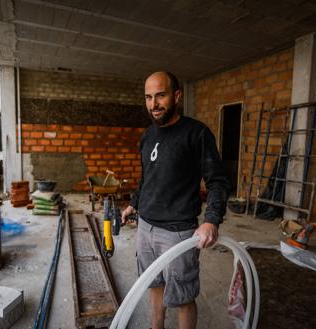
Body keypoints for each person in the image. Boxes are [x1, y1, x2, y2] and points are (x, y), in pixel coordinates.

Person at [121, 71, 231, 329]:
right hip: (145, 227)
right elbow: (147, 177)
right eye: (148, 97)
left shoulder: (197, 133)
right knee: (154, 284)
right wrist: (134, 204)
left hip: (178, 232)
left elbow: (218, 181)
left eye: (160, 95)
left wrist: (211, 220)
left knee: (182, 296)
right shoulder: (148, 135)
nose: (153, 104)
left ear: (177, 96)